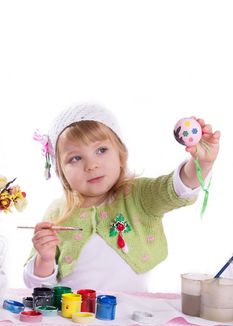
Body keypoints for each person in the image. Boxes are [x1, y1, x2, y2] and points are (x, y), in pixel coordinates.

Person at [24, 104, 220, 292]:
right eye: (76, 158)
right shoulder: (57, 211)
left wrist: (201, 163)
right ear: (60, 171)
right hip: (70, 317)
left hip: (129, 317)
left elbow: (176, 188)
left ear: (120, 155)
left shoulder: (139, 196)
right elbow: (38, 286)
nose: (92, 165)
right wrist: (45, 259)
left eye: (101, 150)